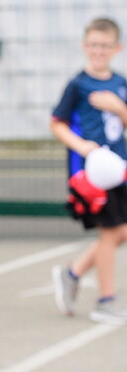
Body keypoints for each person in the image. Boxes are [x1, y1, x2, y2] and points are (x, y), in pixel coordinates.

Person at [50, 17, 127, 325]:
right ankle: (105, 300)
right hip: (93, 173)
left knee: (121, 232)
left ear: (116, 48)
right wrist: (82, 147)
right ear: (85, 46)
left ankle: (72, 273)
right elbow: (56, 123)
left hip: (118, 168)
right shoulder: (78, 84)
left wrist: (118, 107)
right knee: (109, 234)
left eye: (104, 45)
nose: (98, 50)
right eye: (93, 45)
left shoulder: (120, 83)